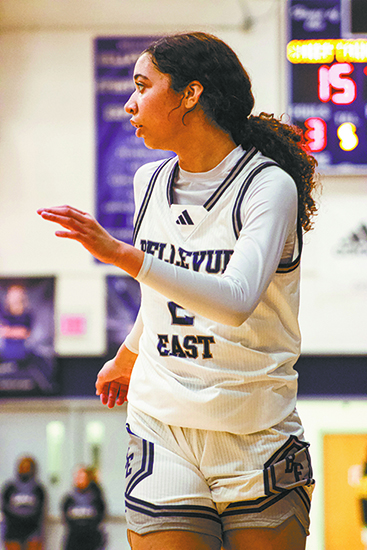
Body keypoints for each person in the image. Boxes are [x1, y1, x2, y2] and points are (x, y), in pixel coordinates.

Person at [38, 31, 319, 550]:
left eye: (143, 86)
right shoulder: (149, 181)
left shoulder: (267, 186)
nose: (129, 104)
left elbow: (234, 299)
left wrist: (124, 254)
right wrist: (128, 353)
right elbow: (166, 291)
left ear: (190, 94)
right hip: (162, 424)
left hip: (255, 432)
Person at [1, 456, 46, 550]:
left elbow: (40, 512)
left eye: (27, 466)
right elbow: (5, 509)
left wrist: (26, 520)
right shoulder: (9, 487)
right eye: (22, 466)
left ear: (33, 469)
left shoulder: (38, 489)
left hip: (33, 530)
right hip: (12, 530)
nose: (24, 469)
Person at [61, 466, 106, 550]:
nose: (79, 480)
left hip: (92, 539)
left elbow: (100, 517)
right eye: (77, 477)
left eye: (82, 477)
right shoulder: (69, 499)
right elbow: (66, 519)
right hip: (74, 539)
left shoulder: (96, 498)